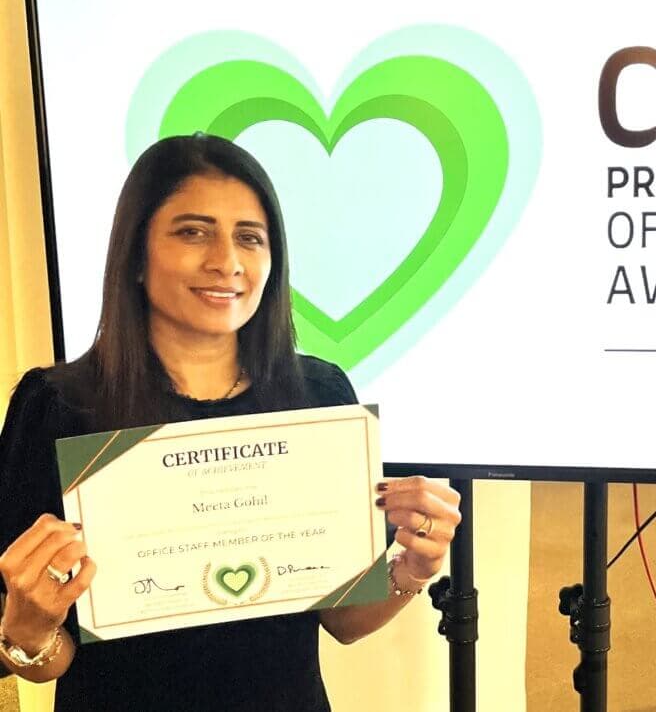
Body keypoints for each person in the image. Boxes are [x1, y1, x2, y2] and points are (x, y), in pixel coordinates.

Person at [0, 134, 462, 711]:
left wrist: (412, 568)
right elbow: (42, 652)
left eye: (250, 237)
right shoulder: (58, 406)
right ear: (136, 255)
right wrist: (26, 628)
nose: (227, 262)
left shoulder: (317, 396)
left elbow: (342, 620)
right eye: (192, 231)